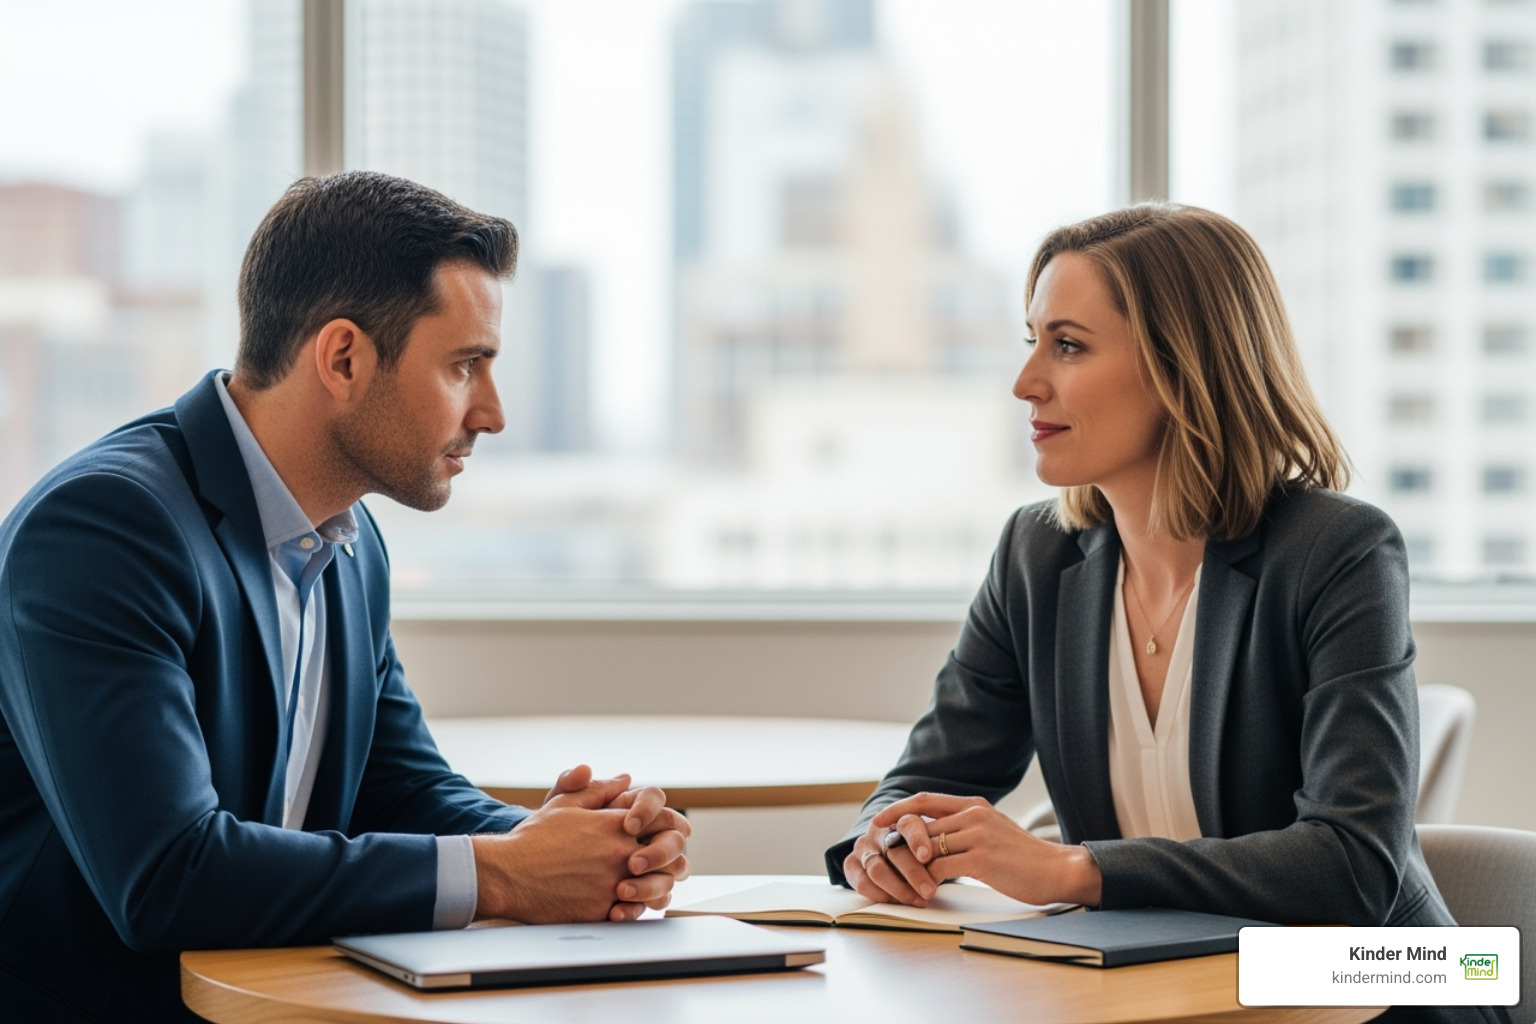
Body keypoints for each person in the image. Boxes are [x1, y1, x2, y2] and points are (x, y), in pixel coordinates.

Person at [0, 171, 689, 1024]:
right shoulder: (104, 530)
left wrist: (573, 846)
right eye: (464, 366)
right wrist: (506, 874)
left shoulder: (349, 544)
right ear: (344, 358)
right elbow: (167, 877)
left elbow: (397, 786)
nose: (493, 413)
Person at [826, 205, 1506, 1024]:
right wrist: (885, 846)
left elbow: (1351, 867)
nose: (1026, 381)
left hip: (1379, 993)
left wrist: (1075, 872)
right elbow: (925, 782)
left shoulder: (1339, 550)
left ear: (1183, 368)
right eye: (1032, 338)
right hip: (1165, 997)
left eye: (1068, 345)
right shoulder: (1036, 556)